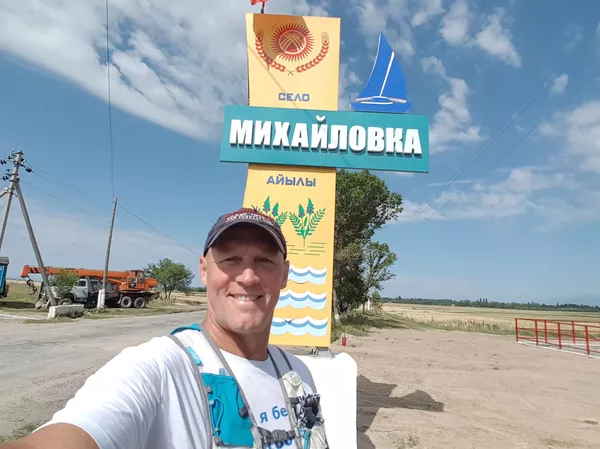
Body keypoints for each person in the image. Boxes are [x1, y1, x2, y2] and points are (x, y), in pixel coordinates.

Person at [1, 207, 328, 449]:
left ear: (284, 275)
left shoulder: (297, 374)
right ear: (204, 271)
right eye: (230, 260)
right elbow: (75, 432)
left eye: (264, 260)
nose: (247, 276)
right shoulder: (159, 369)